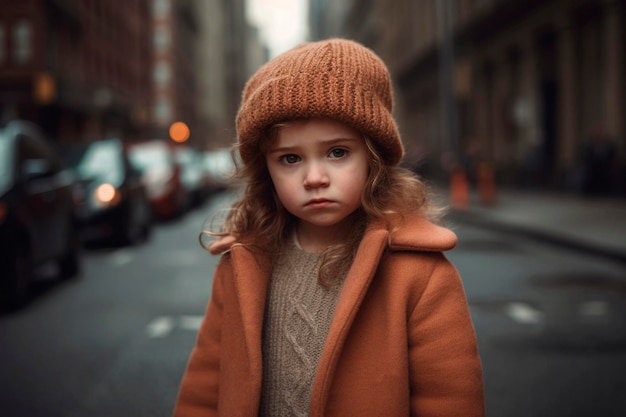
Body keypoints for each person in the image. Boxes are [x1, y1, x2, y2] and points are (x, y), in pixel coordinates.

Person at [173, 38, 484, 417]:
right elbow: (204, 389)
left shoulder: (420, 274)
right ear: (264, 171)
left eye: (337, 152)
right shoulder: (241, 265)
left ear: (373, 157)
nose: (315, 177)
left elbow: (449, 400)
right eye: (290, 158)